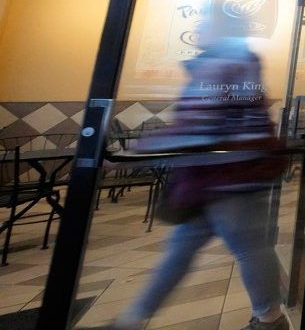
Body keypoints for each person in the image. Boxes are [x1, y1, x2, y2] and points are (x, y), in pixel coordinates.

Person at [101, 17, 290, 330]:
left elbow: (197, 126)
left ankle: (270, 319)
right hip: (219, 176)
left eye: (206, 23)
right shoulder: (235, 63)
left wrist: (134, 153)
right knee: (189, 250)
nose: (197, 28)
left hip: (230, 177)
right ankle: (131, 319)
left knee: (247, 250)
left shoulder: (224, 66)